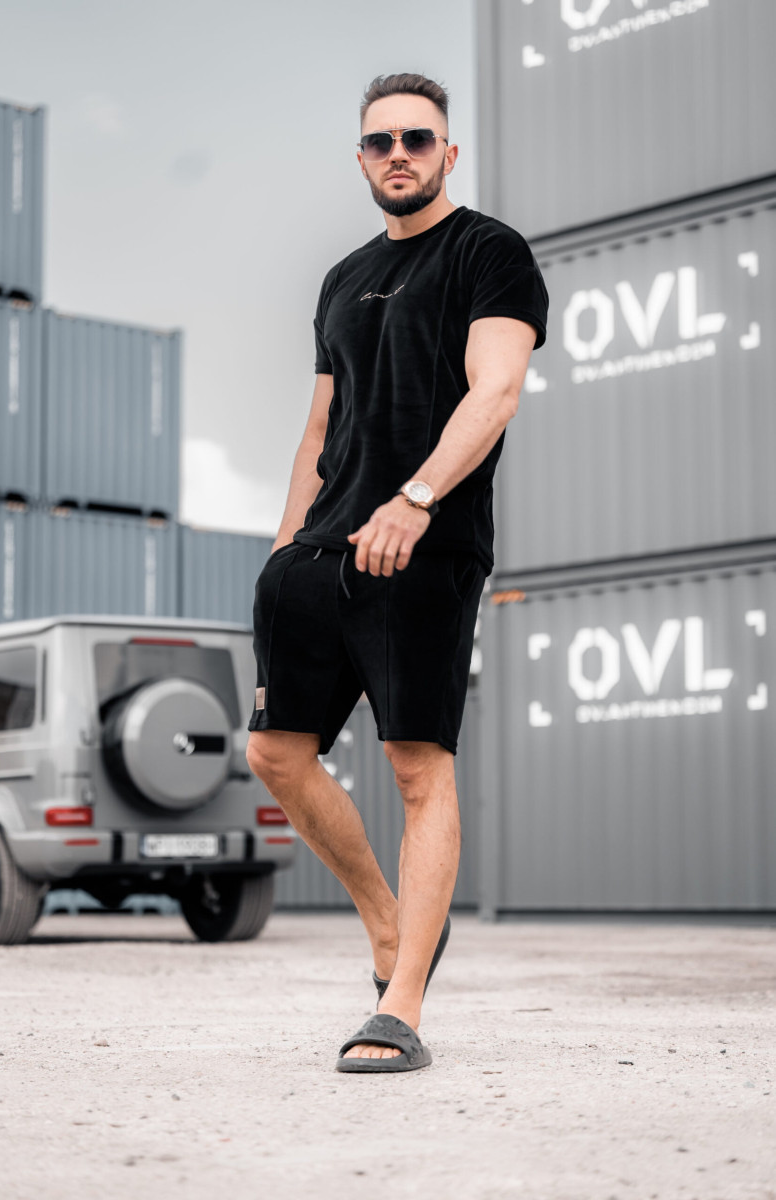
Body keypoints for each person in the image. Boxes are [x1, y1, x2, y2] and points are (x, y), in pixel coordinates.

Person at [245, 72, 548, 1073]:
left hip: (425, 548)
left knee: (417, 768)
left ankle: (401, 1006)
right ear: (362, 159)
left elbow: (495, 391)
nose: (399, 155)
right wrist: (283, 550)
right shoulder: (341, 278)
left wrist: (415, 500)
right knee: (274, 753)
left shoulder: (489, 252)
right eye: (380, 142)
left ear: (448, 154)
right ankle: (386, 918)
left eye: (418, 139)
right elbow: (319, 428)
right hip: (319, 553)